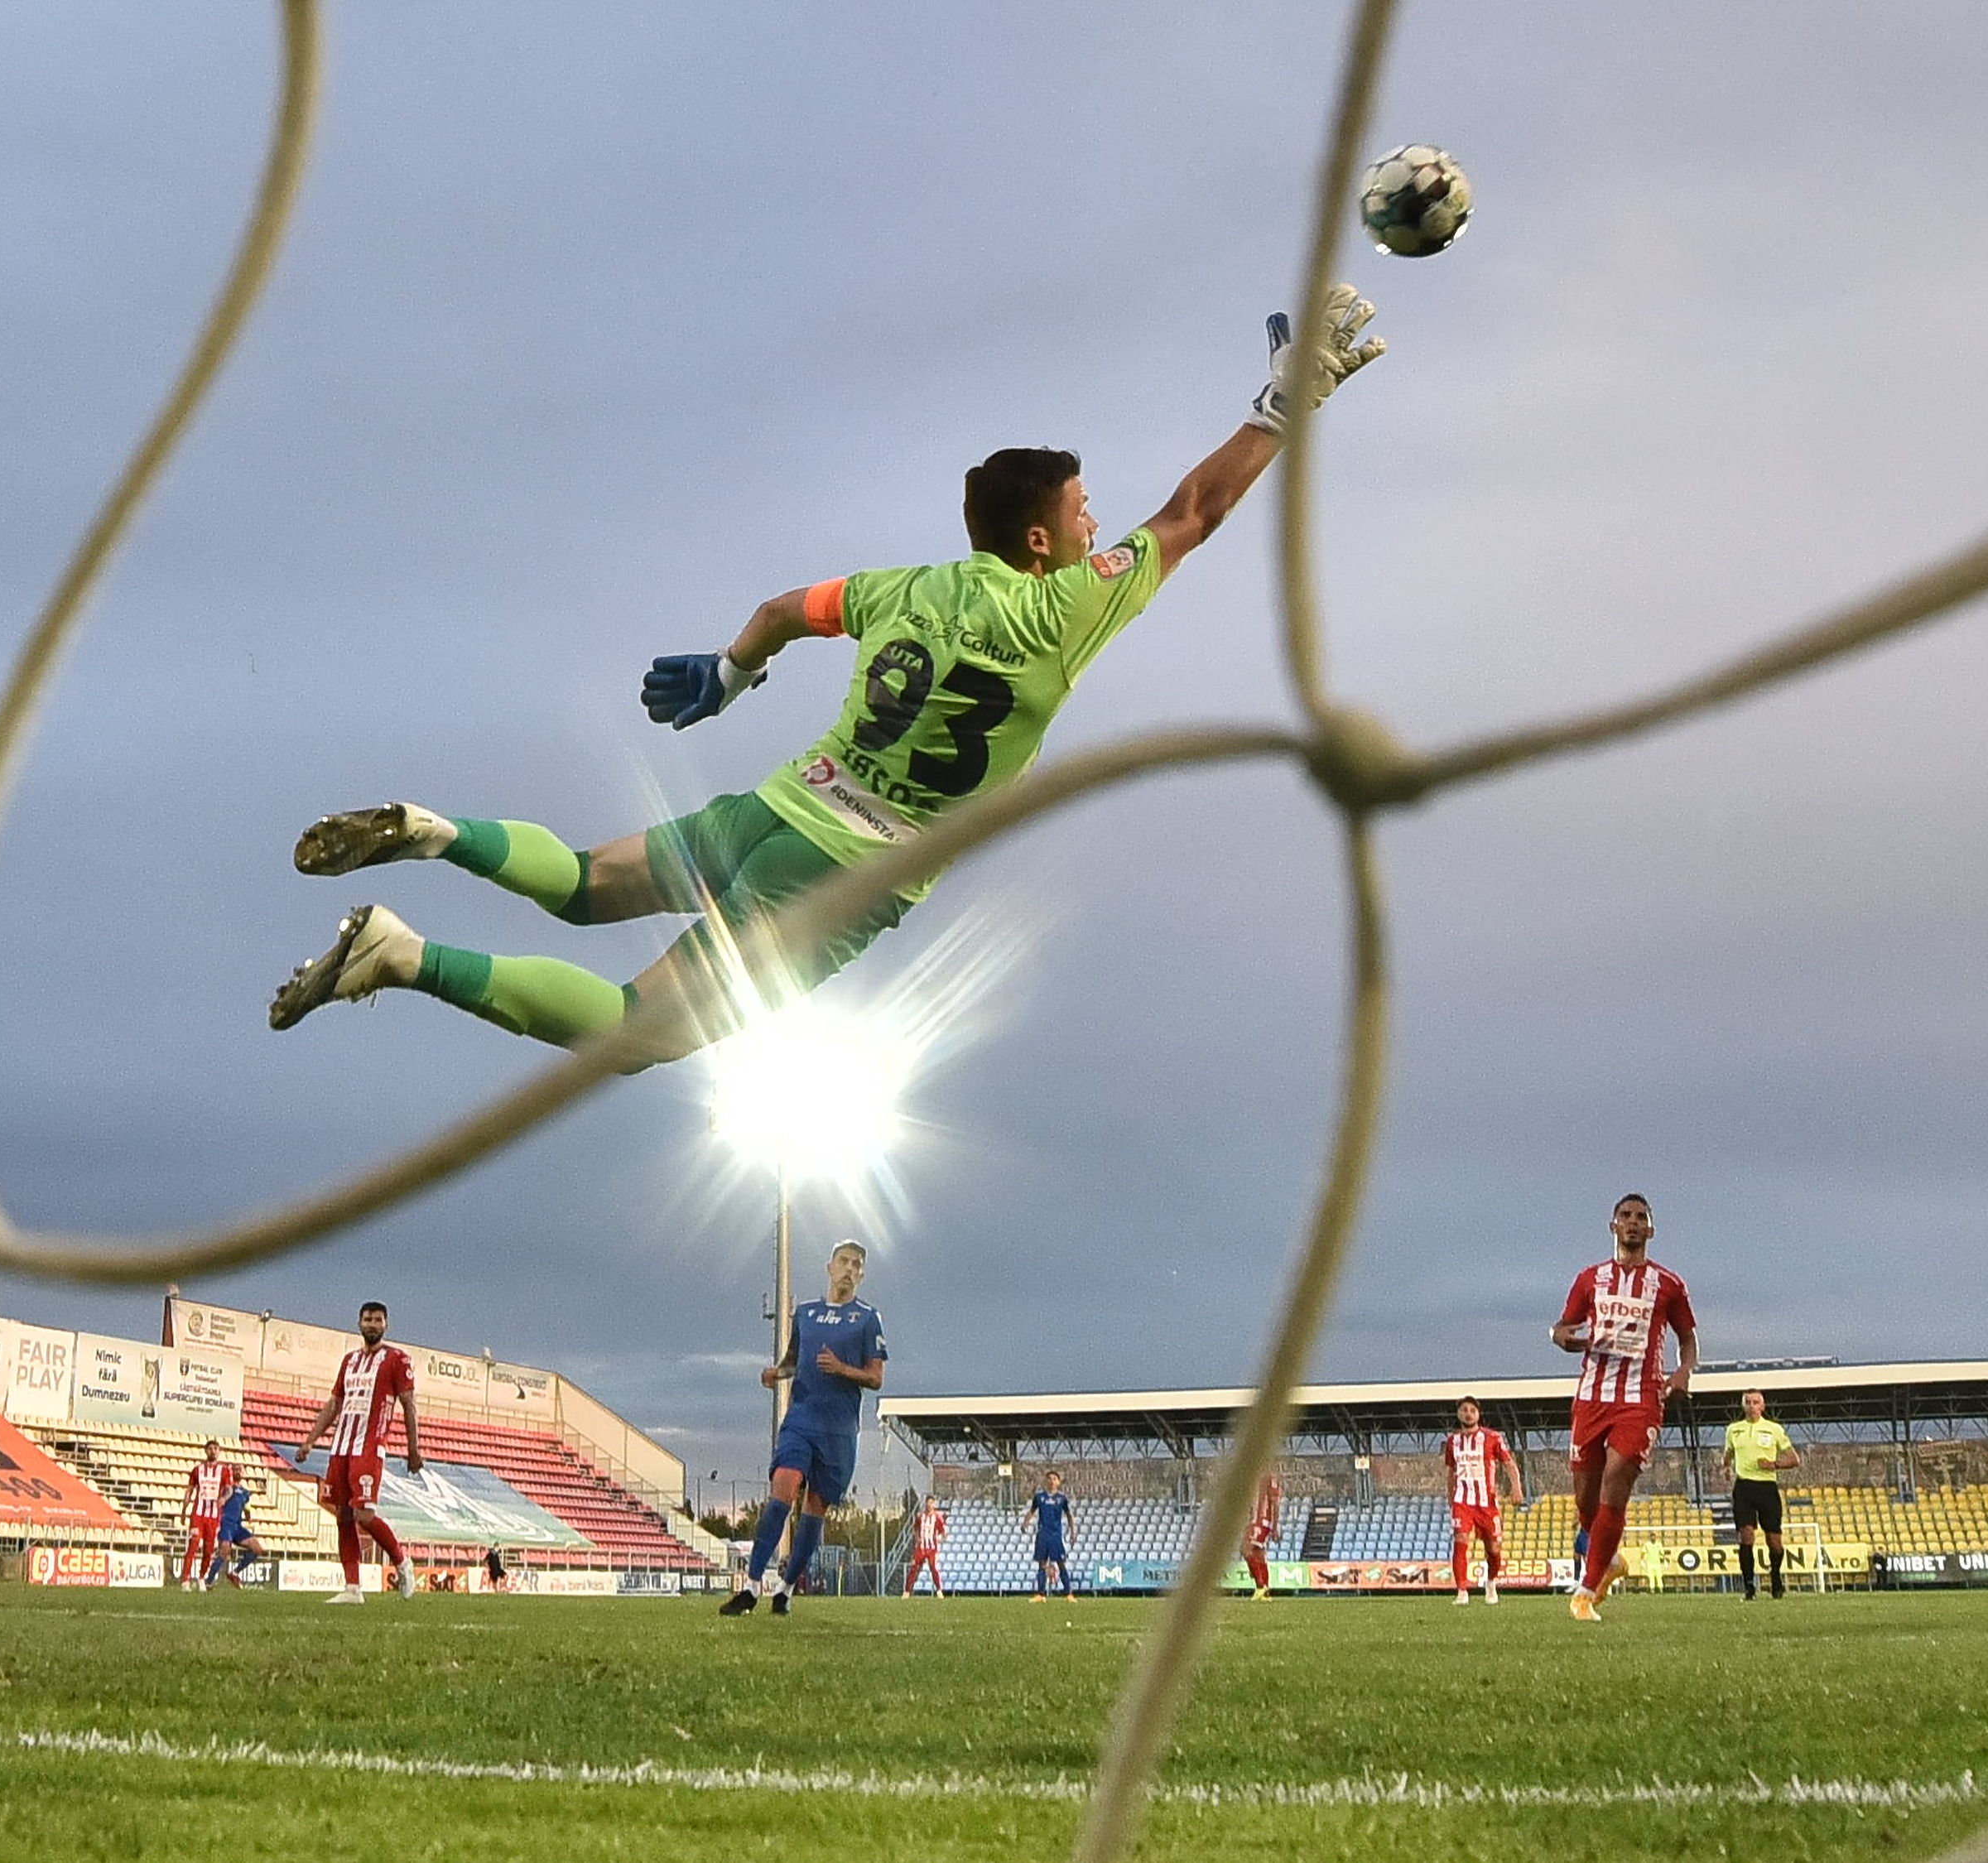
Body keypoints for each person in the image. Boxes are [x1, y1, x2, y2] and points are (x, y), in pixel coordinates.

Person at [267, 291, 1389, 1063]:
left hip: (776, 806)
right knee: (632, 1029)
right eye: (1080, 508)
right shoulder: (1065, 610)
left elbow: (776, 613)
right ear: (1043, 544)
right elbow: (1197, 512)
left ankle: (434, 829)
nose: (1096, 517)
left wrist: (730, 676)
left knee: (584, 882)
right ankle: (404, 956)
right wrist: (1284, 402)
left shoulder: (905, 589)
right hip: (842, 872)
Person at [1552, 1193, 1698, 1624]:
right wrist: (1564, 1338)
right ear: (1613, 1226)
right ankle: (1610, 1560)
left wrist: (1683, 1372)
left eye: (1641, 1218)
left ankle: (1586, 1591)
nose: (1633, 1223)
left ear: (1650, 1229)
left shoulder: (1668, 1284)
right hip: (1592, 1396)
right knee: (1585, 1499)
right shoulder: (1589, 1279)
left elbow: (1688, 1338)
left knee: (1616, 1480)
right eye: (1625, 1216)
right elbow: (1563, 1327)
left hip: (1642, 1398)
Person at [722, 1241, 886, 1618]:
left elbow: (876, 1377)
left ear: (861, 1275)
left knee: (814, 1510)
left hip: (840, 1430)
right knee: (784, 1485)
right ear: (829, 1267)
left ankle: (786, 1590)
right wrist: (776, 1372)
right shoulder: (807, 1314)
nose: (848, 1269)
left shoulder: (867, 1318)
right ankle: (750, 1587)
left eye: (856, 1265)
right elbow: (793, 1360)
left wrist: (843, 1369)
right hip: (802, 1419)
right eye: (843, 1261)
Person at [293, 1300, 423, 1605]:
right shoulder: (349, 1360)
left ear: (386, 1325)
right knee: (344, 1515)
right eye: (368, 1319)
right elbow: (334, 1404)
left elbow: (409, 1405)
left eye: (378, 1320)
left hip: (369, 1446)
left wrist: (413, 1448)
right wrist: (310, 1440)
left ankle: (402, 1563)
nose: (372, 1324)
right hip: (341, 1447)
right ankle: (353, 1588)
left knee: (365, 1514)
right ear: (359, 1323)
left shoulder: (397, 1360)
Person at [1721, 1389, 1802, 1601]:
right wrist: (1726, 1468)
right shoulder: (1733, 1430)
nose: (1751, 1405)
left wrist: (1773, 1464)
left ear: (1763, 1406)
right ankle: (1749, 1586)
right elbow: (1728, 1454)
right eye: (1747, 1402)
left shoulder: (1774, 1429)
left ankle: (1775, 1577)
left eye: (1755, 1402)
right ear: (1743, 1406)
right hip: (1744, 1487)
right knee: (1746, 1535)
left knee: (1774, 1540)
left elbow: (1794, 1460)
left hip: (1767, 1487)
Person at [1442, 1397, 1520, 1605]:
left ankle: (1491, 1583)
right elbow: (1450, 1471)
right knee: (1460, 1542)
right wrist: (1450, 1496)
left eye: (1472, 1410)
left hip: (1487, 1503)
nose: (1468, 1413)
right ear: (1459, 1414)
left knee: (1493, 1548)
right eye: (1464, 1410)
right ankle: (1462, 1592)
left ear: (1478, 1414)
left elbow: (1509, 1464)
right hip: (1462, 1501)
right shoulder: (1452, 1442)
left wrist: (1517, 1489)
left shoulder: (1492, 1438)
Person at [179, 1439, 237, 1591]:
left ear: (219, 1451)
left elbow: (230, 1489)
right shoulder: (198, 1470)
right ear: (206, 1451)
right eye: (210, 1448)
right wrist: (184, 1511)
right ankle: (185, 1580)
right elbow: (189, 1490)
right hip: (198, 1514)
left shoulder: (224, 1470)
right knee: (193, 1545)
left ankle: (202, 1578)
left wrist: (224, 1498)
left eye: (216, 1449)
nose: (213, 1451)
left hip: (213, 1516)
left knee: (208, 1550)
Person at [1024, 1470, 1077, 1601]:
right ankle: (1040, 1595)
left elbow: (1069, 1515)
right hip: (1042, 1534)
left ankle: (1068, 1594)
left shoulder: (1062, 1498)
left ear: (1058, 1482)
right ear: (1045, 1481)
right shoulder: (1039, 1497)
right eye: (1049, 1479)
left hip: (1055, 1535)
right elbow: (1032, 1511)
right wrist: (1025, 1522)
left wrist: (1072, 1531)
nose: (1052, 1481)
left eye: (1054, 1479)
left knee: (1061, 1563)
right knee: (1042, 1564)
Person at [205, 1476, 267, 1589]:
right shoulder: (226, 1488)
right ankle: (208, 1582)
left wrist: (249, 1518)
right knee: (224, 1553)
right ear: (232, 1472)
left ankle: (234, 1573)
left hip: (237, 1527)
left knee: (257, 1549)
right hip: (226, 1524)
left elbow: (247, 1508)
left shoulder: (245, 1493)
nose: (238, 1471)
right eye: (235, 1469)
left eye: (239, 1469)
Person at [1243, 1465, 1284, 1601]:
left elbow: (1275, 1504)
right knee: (1258, 1554)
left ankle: (1261, 1586)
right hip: (1255, 1521)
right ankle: (1265, 1593)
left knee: (1245, 1549)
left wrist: (1274, 1527)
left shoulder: (1269, 1478)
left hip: (1262, 1520)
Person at [903, 1495, 947, 1599]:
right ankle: (907, 1592)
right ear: (926, 1504)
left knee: (933, 1568)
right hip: (921, 1548)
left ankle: (939, 1591)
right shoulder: (920, 1517)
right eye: (928, 1503)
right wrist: (917, 1538)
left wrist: (941, 1539)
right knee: (913, 1568)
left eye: (932, 1503)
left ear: (934, 1504)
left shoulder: (937, 1518)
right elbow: (915, 1529)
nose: (929, 1505)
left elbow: (943, 1532)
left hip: (932, 1549)